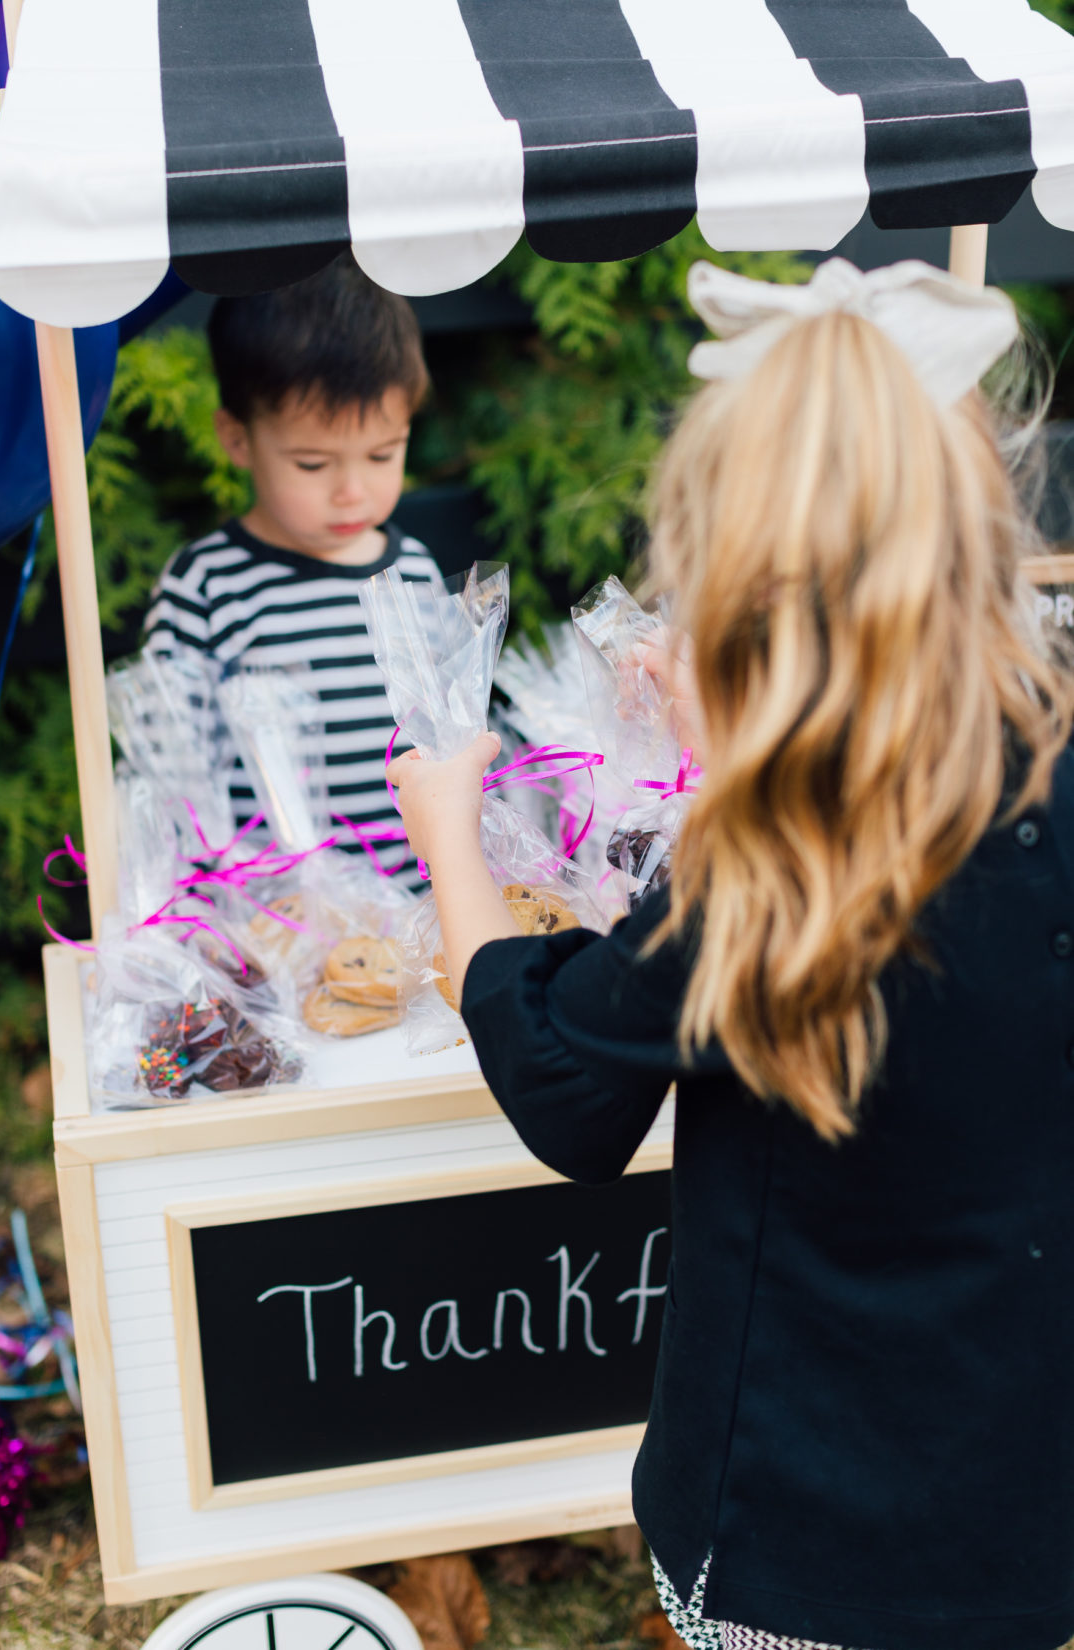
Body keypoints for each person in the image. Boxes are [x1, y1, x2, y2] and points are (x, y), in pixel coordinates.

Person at [385, 261, 1074, 1650]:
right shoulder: (1044, 770)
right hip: (1027, 1511)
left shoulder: (760, 872)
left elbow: (562, 1086)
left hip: (788, 1529)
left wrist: (449, 835)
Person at [144, 254, 440, 878]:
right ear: (237, 439)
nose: (352, 491)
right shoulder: (206, 586)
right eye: (313, 464)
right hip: (283, 926)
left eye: (383, 454)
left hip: (424, 909)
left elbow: (451, 740)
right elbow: (174, 776)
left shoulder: (414, 571)